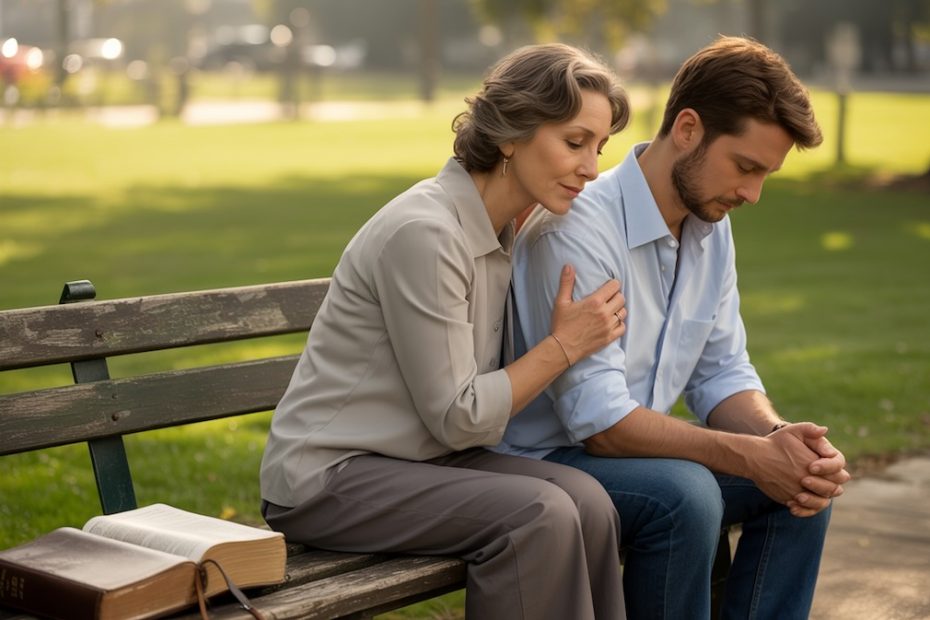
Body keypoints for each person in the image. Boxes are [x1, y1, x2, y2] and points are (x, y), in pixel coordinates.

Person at [260, 43, 632, 620]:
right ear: (511, 135)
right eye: (574, 142)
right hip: (328, 477)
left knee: (588, 501)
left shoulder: (501, 229)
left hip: (420, 460)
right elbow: (460, 416)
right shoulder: (427, 232)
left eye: (599, 148)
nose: (591, 168)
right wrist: (565, 346)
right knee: (539, 514)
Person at [498, 36, 851, 619]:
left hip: (632, 457)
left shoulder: (711, 226)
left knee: (804, 482)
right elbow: (599, 424)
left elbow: (721, 372)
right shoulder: (577, 230)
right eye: (746, 167)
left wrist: (780, 440)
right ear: (687, 129)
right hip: (544, 462)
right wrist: (750, 457)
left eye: (766, 175)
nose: (752, 194)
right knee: (686, 495)